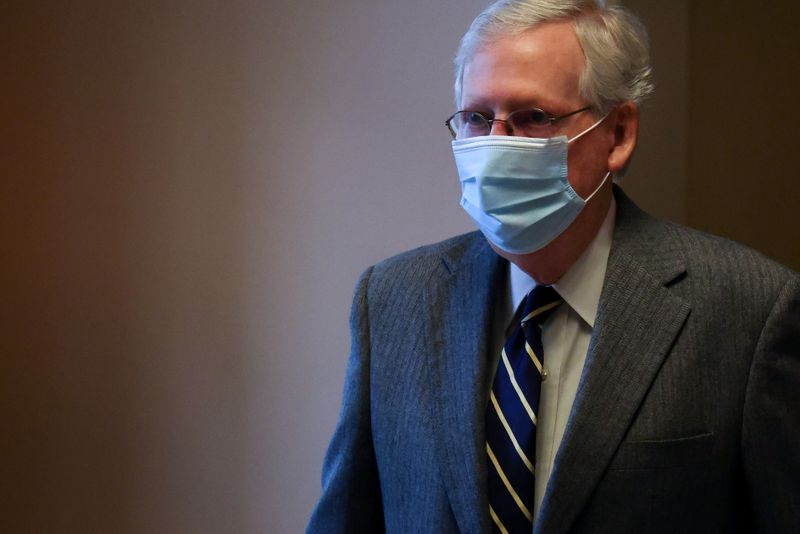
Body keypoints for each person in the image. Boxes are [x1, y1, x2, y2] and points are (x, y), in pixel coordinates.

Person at [307, 0, 800, 532]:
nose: (496, 145)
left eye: (533, 117)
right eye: (476, 118)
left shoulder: (749, 310)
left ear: (618, 135)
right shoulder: (392, 299)